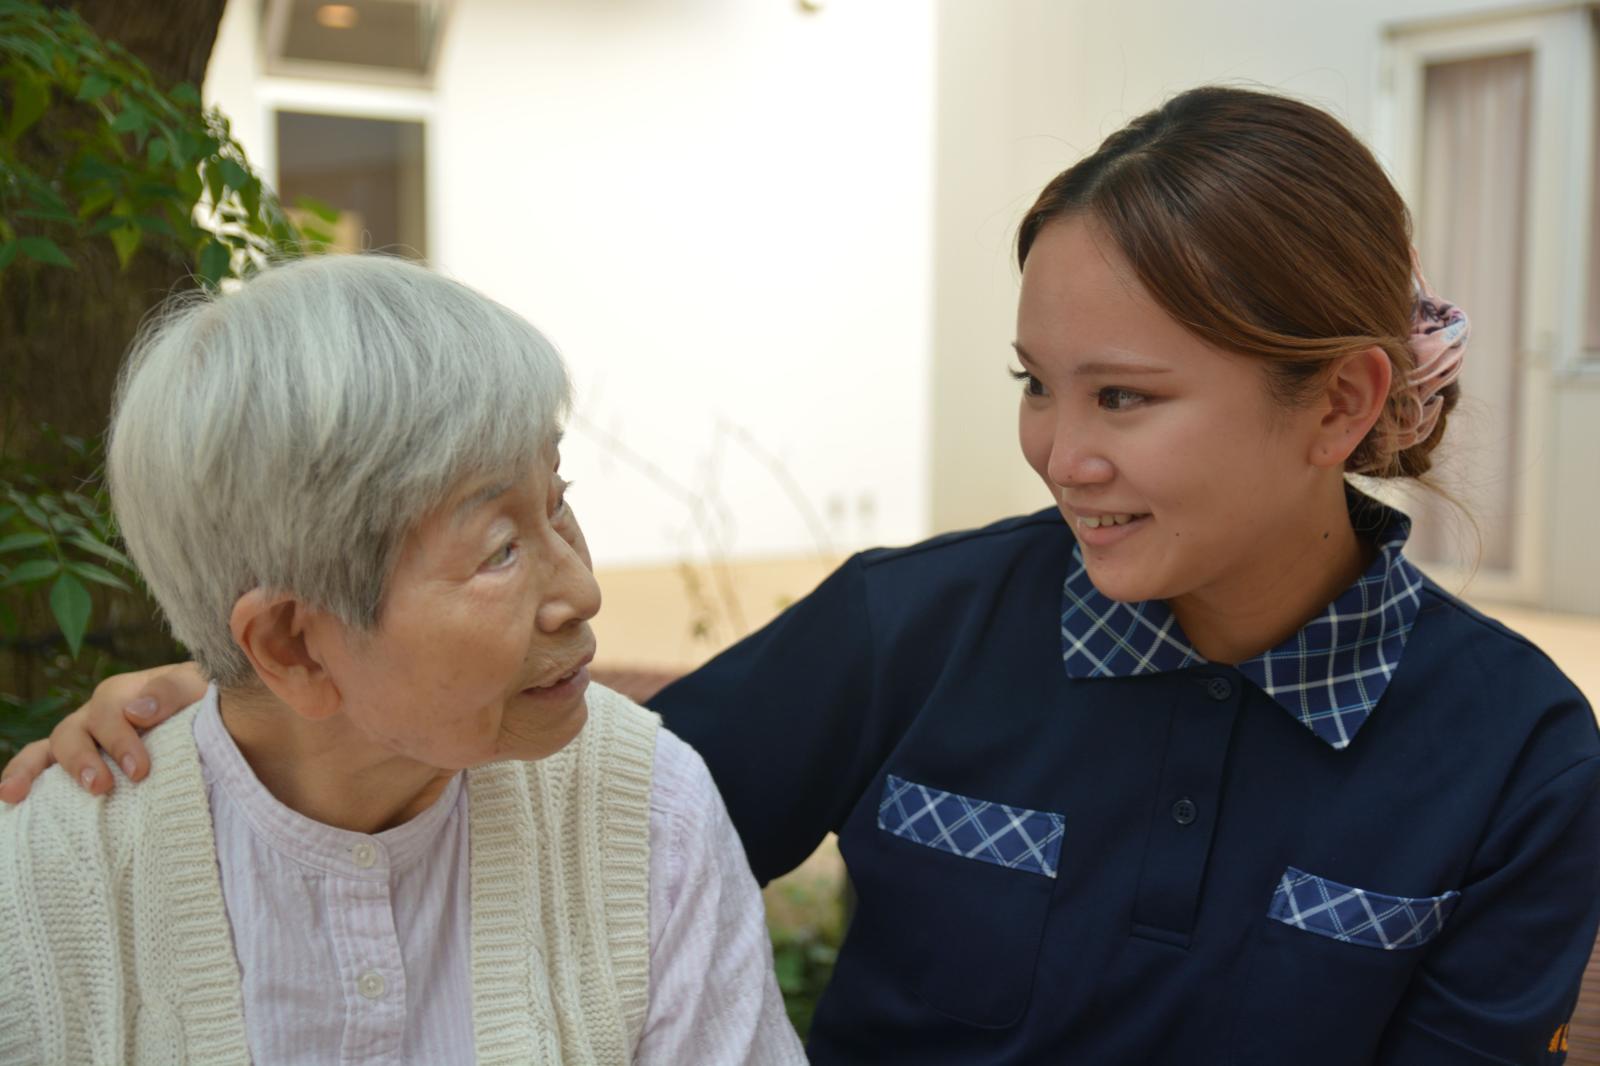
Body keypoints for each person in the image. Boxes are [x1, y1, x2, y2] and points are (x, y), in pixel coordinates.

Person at [8, 86, 1599, 1065]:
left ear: (1338, 401)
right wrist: (253, 711)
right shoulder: (910, 632)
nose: (1056, 449)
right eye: (1033, 383)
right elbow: (568, 789)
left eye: (1124, 397)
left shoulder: (1517, 755)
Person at [0, 255, 804, 1065]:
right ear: (290, 646)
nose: (581, 590)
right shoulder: (46, 884)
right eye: (499, 549)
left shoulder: (645, 812)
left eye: (556, 501)